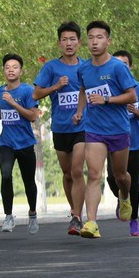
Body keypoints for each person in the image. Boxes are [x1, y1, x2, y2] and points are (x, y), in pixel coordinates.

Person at [73, 21, 137, 239]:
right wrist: (79, 111)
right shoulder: (83, 69)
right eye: (91, 37)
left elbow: (132, 95)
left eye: (99, 37)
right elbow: (83, 90)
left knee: (121, 176)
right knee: (93, 174)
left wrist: (107, 99)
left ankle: (124, 197)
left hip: (118, 129)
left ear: (108, 41)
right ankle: (91, 222)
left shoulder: (118, 67)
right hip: (94, 129)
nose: (94, 42)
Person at [33, 22, 89, 235]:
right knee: (67, 174)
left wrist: (82, 111)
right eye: (64, 40)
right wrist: (56, 86)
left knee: (77, 170)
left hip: (82, 126)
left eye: (72, 39)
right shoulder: (51, 68)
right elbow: (36, 94)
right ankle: (74, 211)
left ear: (79, 42)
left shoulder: (86, 67)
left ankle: (77, 216)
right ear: (59, 43)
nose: (68, 43)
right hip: (60, 127)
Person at [0, 54, 40, 234]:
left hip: (25, 143)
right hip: (7, 143)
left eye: (15, 67)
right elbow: (2, 110)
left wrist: (13, 103)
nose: (11, 70)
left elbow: (33, 116)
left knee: (28, 181)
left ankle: (32, 214)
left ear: (20, 71)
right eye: (7, 67)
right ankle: (8, 216)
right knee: (6, 175)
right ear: (3, 71)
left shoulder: (27, 91)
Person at [106, 50, 139, 237]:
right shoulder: (108, 89)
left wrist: (136, 111)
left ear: (130, 67)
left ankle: (134, 220)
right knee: (112, 178)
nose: (120, 67)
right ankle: (122, 197)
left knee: (135, 183)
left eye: (124, 64)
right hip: (113, 140)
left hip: (134, 142)